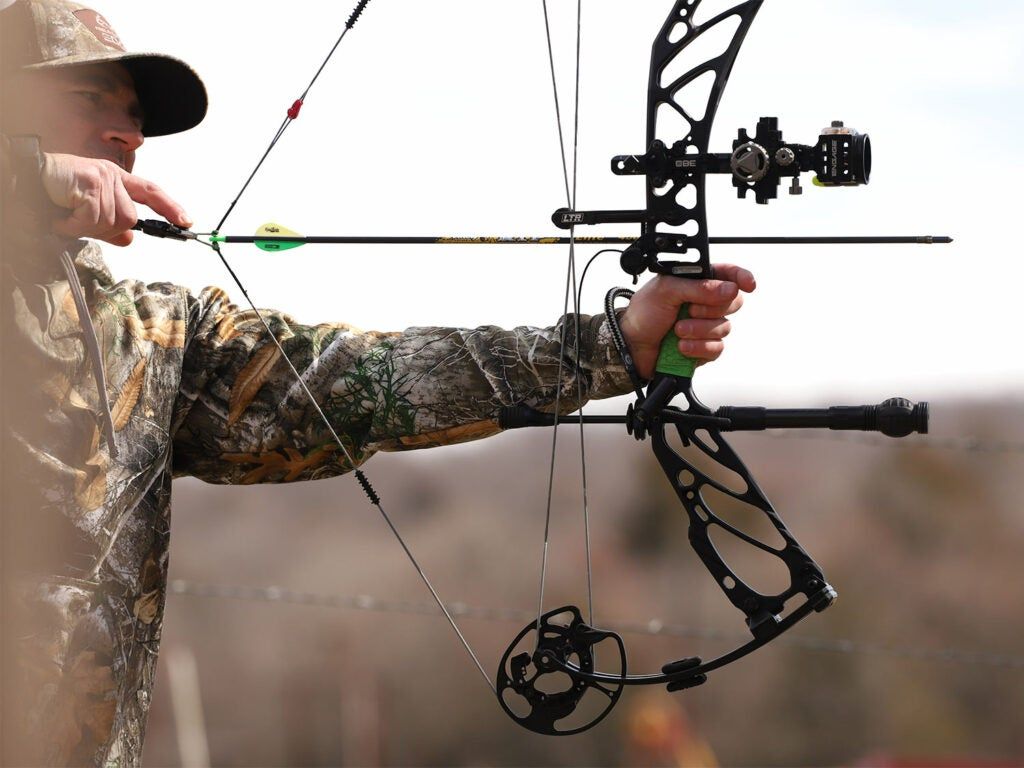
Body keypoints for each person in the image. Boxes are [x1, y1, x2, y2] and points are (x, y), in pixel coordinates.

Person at [0, 1, 755, 765]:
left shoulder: (153, 341)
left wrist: (611, 346)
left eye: (132, 115)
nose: (127, 134)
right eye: (86, 101)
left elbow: (356, 382)